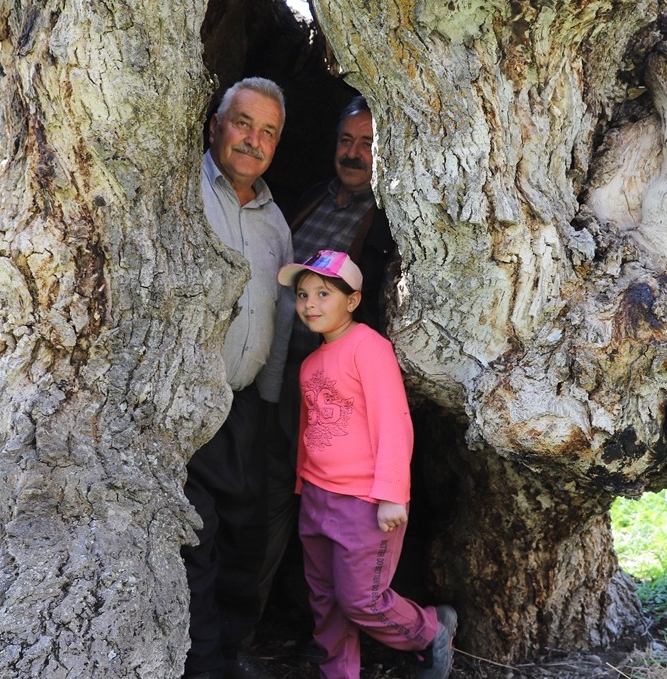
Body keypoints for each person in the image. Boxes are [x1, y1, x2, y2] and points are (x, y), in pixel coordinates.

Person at [275, 250, 456, 679]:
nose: (310, 304)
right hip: (317, 495)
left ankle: (430, 630)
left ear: (353, 300)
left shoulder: (369, 348)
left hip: (364, 500)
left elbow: (393, 421)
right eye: (303, 295)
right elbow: (311, 428)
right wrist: (303, 484)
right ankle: (339, 673)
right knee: (324, 597)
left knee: (362, 599)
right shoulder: (311, 363)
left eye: (323, 293)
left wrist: (392, 493)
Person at [257, 95, 399, 619]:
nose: (354, 153)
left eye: (368, 144)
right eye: (346, 140)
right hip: (277, 371)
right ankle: (268, 611)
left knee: (331, 509)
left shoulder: (389, 218)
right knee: (274, 492)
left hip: (338, 389)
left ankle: (338, 614)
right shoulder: (313, 197)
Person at [184, 77, 294, 679]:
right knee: (195, 541)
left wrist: (270, 405)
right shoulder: (187, 193)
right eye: (243, 123)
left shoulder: (275, 222)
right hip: (189, 405)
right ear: (215, 126)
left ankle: (228, 655)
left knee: (242, 541)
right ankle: (203, 667)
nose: (253, 140)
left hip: (248, 407)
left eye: (268, 132)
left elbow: (282, 316)